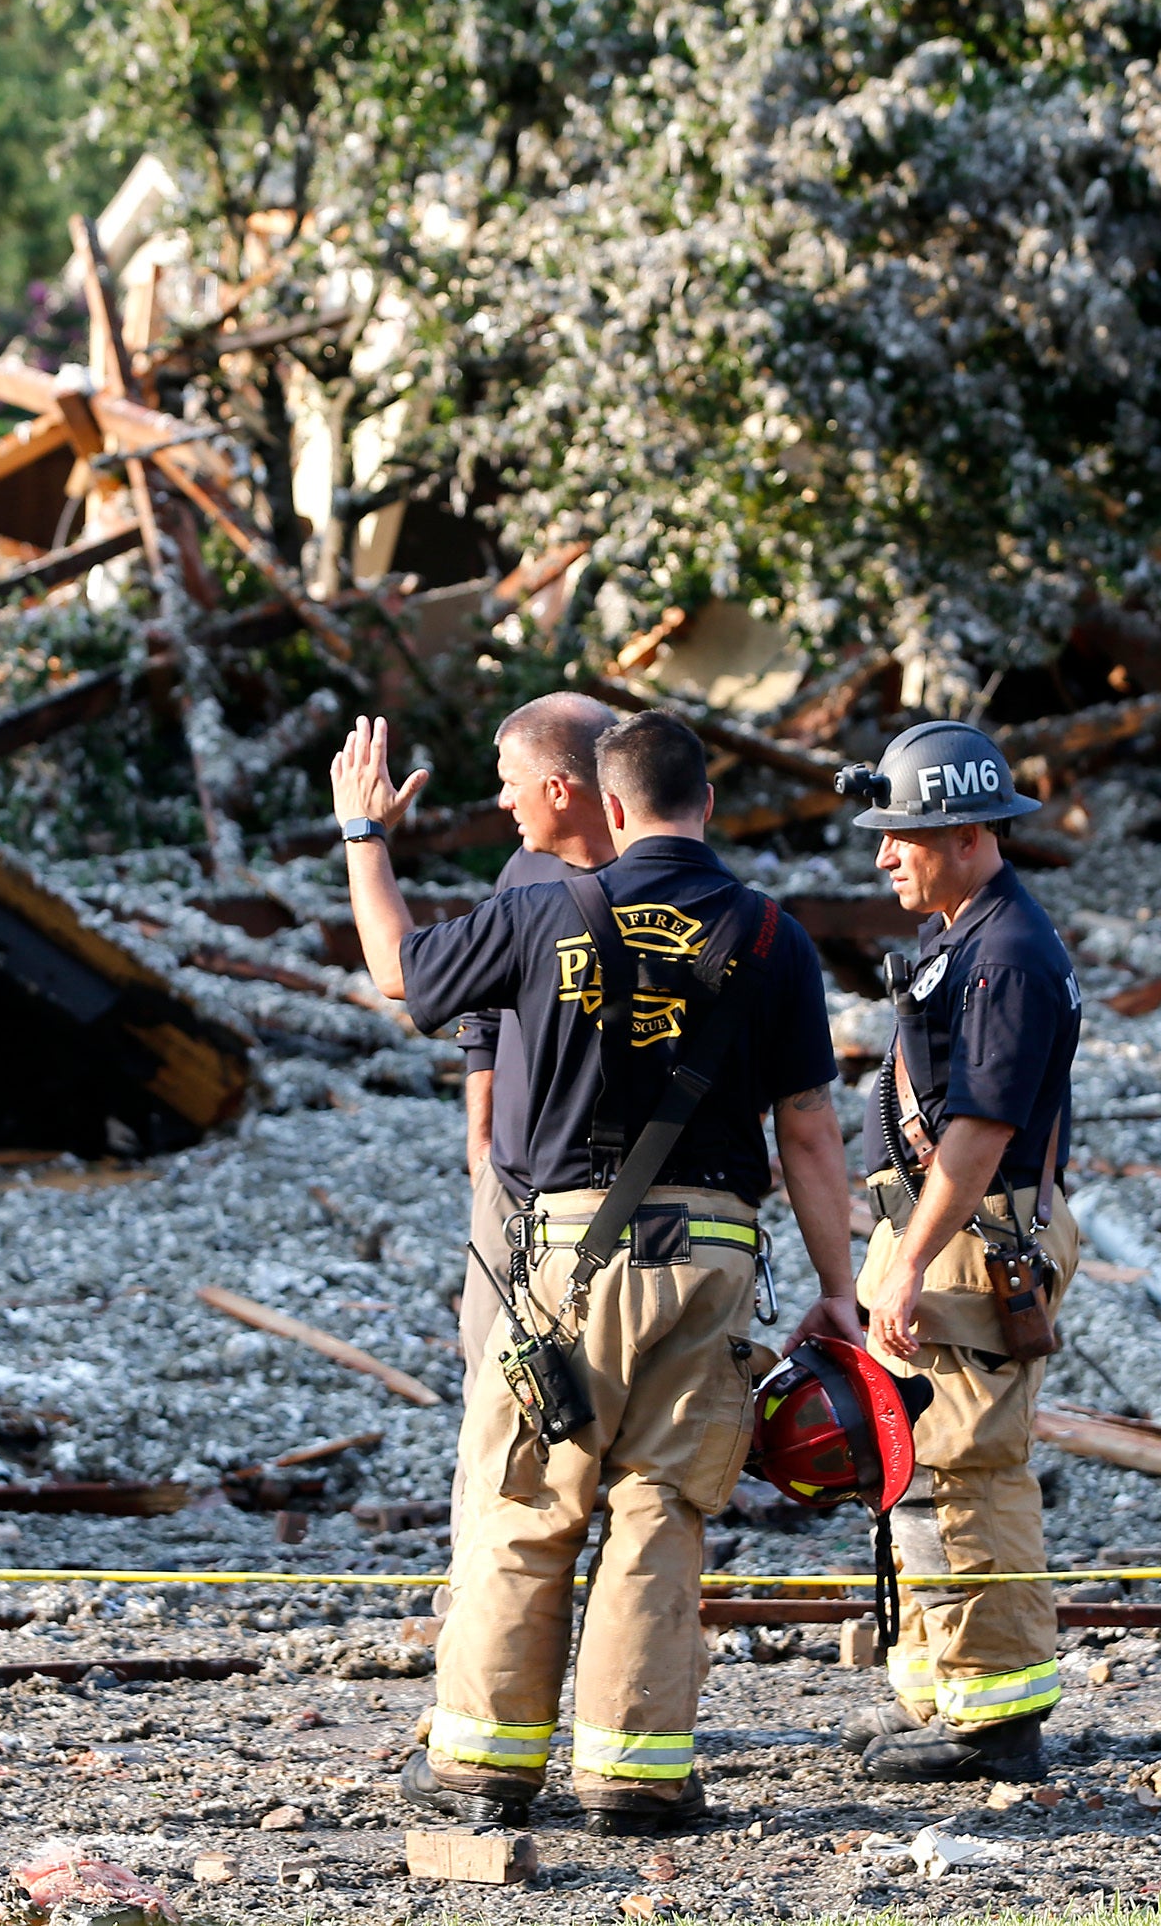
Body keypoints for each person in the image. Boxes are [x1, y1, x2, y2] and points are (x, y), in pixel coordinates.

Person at [330, 707, 853, 1834]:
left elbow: (395, 972)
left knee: (528, 1501)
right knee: (662, 1509)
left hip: (566, 1252)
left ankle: (483, 1764)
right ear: (705, 802)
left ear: (609, 808)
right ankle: (636, 1775)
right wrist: (841, 1287)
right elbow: (809, 1134)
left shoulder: (534, 913)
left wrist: (364, 835)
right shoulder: (774, 938)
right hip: (711, 1255)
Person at [834, 720, 1082, 1784]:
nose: (884, 853)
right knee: (916, 1464)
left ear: (970, 832)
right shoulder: (972, 938)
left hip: (971, 1240)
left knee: (968, 1467)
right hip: (947, 1230)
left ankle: (996, 1722)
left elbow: (978, 1133)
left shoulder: (1007, 957)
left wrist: (905, 1260)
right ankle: (944, 1691)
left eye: (904, 832)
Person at [454, 695, 618, 1546]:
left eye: (512, 781)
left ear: (560, 788)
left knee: (613, 1406)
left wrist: (363, 841)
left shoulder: (657, 880)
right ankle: (476, 1586)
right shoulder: (523, 873)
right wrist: (482, 1143)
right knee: (492, 1383)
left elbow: (402, 967)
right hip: (512, 1185)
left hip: (615, 1206)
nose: (501, 801)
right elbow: (478, 1014)